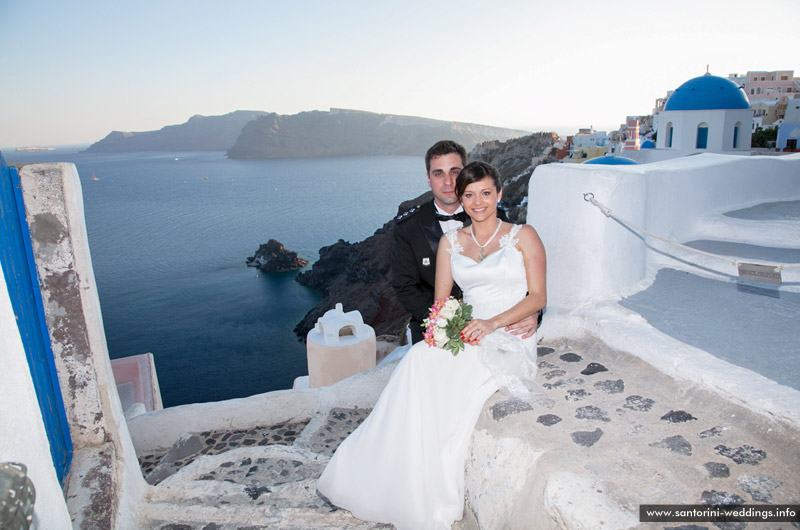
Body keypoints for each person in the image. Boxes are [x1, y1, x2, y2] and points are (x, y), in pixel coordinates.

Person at [317, 161, 547, 530]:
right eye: (469, 195)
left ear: (499, 194)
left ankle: (427, 481)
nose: (479, 201)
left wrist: (492, 323)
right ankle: (383, 473)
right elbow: (441, 304)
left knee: (434, 375)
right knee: (417, 361)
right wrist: (443, 329)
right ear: (461, 199)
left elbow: (537, 296)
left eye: (486, 193)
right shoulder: (451, 242)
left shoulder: (523, 236)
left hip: (506, 332)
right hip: (466, 328)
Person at [391, 140, 538, 344]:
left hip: (502, 325)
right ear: (428, 179)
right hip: (438, 328)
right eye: (438, 174)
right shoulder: (408, 228)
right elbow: (406, 288)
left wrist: (533, 312)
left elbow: (520, 268)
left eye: (455, 172)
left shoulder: (494, 215)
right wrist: (451, 327)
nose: (448, 182)